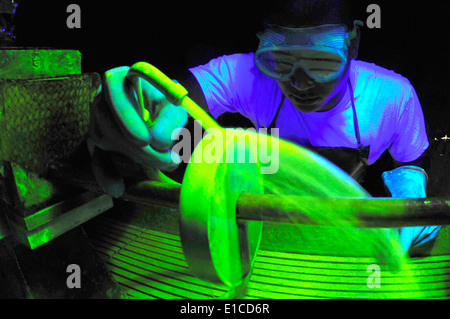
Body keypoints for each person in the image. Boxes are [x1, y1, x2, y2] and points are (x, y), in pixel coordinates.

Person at [88, 0, 440, 254]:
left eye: (320, 61)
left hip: (347, 234)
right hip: (273, 226)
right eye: (280, 59)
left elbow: (410, 161)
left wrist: (410, 197)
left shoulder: (392, 97)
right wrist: (149, 111)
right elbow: (184, 96)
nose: (299, 82)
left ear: (354, 44)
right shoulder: (248, 76)